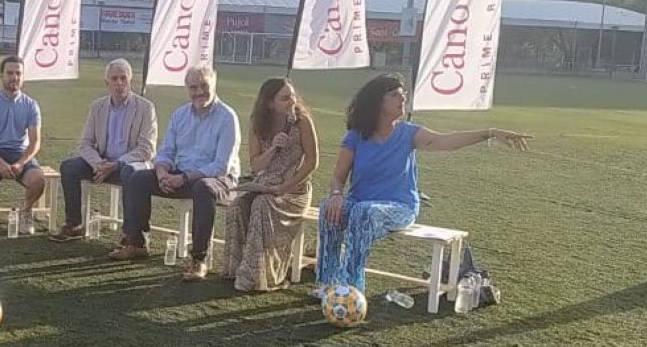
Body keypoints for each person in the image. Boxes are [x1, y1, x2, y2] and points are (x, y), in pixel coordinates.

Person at [317, 73, 531, 294]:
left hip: (399, 207)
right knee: (328, 210)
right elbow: (338, 177)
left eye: (404, 95)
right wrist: (335, 194)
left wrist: (490, 133)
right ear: (377, 102)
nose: (403, 100)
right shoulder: (356, 136)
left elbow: (445, 141)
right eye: (394, 95)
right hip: (361, 203)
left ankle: (350, 289)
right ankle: (328, 282)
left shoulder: (408, 133)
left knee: (363, 213)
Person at [110, 65, 241, 281]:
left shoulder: (227, 117)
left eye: (204, 86)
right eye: (193, 87)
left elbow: (221, 166)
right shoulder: (180, 115)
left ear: (214, 85)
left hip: (220, 180)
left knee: (203, 188)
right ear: (187, 89)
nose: (199, 92)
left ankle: (199, 259)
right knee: (138, 178)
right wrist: (161, 172)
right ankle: (136, 243)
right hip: (181, 174)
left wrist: (183, 178)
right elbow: (166, 151)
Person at [223, 77, 319, 292]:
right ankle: (237, 269)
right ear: (269, 103)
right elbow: (256, 166)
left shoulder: (302, 121)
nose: (291, 102)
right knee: (237, 206)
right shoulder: (258, 123)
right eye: (285, 98)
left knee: (262, 205)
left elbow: (313, 162)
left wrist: (285, 187)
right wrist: (273, 148)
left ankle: (258, 277)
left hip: (295, 189)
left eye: (293, 97)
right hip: (265, 183)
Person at [49, 58, 157, 242]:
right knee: (69, 167)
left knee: (131, 172)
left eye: (123, 78)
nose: (119, 83)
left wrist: (116, 164)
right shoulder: (97, 107)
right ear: (107, 83)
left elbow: (147, 149)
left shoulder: (146, 108)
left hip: (129, 164)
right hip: (102, 162)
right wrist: (98, 164)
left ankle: (131, 233)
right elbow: (85, 143)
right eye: (114, 79)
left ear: (130, 81)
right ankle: (74, 224)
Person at [0, 56, 45, 235]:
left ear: (23, 77)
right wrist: (0, 163)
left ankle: (26, 210)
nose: (14, 77)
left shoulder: (31, 105)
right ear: (1, 76)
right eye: (10, 73)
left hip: (20, 153)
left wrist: (21, 163)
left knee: (38, 180)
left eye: (18, 73)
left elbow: (35, 142)